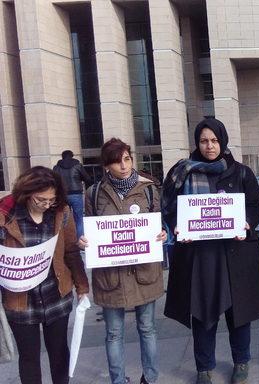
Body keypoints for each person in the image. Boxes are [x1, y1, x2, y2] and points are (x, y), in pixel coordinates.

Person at [162, 117, 259, 384]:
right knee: (202, 313)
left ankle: (241, 362)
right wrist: (177, 226)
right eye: (203, 141)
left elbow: (256, 204)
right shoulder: (182, 171)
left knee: (239, 313)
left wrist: (246, 221)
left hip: (234, 254)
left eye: (214, 140)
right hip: (200, 256)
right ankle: (204, 368)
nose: (209, 146)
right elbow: (169, 206)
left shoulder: (241, 171)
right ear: (196, 143)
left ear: (222, 141)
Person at [77, 138, 166, 384]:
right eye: (117, 161)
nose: (124, 166)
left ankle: (150, 377)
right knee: (113, 333)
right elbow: (90, 227)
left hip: (144, 273)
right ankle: (118, 380)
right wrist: (84, 241)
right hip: (111, 277)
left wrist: (163, 233)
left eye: (127, 159)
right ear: (107, 166)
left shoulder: (149, 189)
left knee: (147, 329)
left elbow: (159, 223)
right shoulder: (94, 193)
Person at [0, 166, 89, 384]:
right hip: (21, 300)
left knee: (59, 353)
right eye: (41, 199)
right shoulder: (6, 216)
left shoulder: (61, 212)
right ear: (27, 192)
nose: (47, 204)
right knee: (29, 357)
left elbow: (70, 251)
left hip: (56, 294)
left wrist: (82, 287)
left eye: (52, 199)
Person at [53, 150, 92, 236]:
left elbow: (53, 182)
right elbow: (87, 178)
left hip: (62, 195)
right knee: (79, 219)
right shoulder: (78, 166)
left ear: (62, 157)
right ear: (72, 156)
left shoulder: (56, 167)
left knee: (63, 219)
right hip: (76, 194)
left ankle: (65, 240)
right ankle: (80, 240)